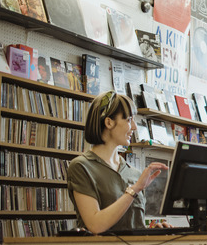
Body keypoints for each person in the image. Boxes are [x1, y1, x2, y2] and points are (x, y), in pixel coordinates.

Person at [67, 91, 169, 234]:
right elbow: (95, 225)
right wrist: (135, 189)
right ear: (109, 122)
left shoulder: (134, 173)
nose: (134, 127)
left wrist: (152, 232)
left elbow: (132, 227)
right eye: (128, 120)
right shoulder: (81, 167)